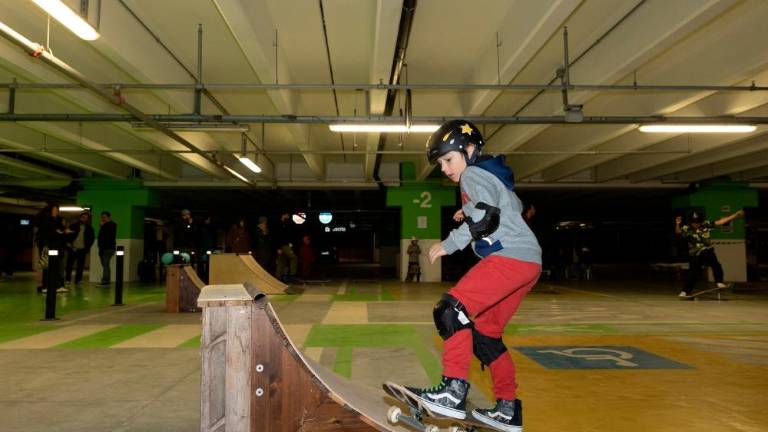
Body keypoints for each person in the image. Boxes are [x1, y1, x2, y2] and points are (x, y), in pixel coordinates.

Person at [403, 120, 541, 432]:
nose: (445, 168)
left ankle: (452, 392)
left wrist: (449, 244)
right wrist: (470, 211)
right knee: (485, 336)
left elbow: (487, 219)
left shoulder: (473, 174)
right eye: (440, 163)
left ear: (469, 150)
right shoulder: (492, 177)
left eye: (448, 159)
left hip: (510, 257)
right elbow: (510, 205)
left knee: (451, 310)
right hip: (529, 262)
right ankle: (508, 410)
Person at [675, 209, 744, 297]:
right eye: (694, 223)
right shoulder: (686, 228)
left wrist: (735, 215)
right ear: (690, 222)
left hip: (707, 250)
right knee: (693, 273)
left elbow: (721, 221)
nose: (696, 224)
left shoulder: (706, 225)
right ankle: (685, 291)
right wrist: (677, 224)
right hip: (695, 254)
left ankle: (719, 282)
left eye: (698, 222)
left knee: (716, 265)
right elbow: (678, 232)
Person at [65, 211, 95, 286]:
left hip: (82, 249)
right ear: (80, 218)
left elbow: (91, 238)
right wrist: (68, 245)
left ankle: (78, 280)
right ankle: (68, 279)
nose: (85, 219)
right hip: (73, 248)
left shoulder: (89, 228)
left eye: (86, 218)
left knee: (80, 266)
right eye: (83, 217)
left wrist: (87, 248)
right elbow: (67, 235)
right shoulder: (73, 226)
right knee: (69, 265)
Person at [274, 212, 298, 282]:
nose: (288, 217)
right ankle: (292, 275)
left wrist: (289, 242)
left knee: (282, 262)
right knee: (294, 257)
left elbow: (287, 235)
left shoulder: (286, 224)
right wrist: (278, 247)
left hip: (285, 245)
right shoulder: (278, 224)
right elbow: (277, 237)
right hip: (283, 246)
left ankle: (278, 279)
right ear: (283, 215)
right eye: (287, 216)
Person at [97, 211, 117, 286]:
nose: (103, 219)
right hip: (102, 248)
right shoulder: (104, 225)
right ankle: (106, 280)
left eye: (104, 217)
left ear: (109, 217)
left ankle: (105, 280)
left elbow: (108, 235)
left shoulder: (112, 225)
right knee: (105, 264)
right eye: (102, 217)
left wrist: (103, 226)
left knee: (105, 264)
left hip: (108, 248)